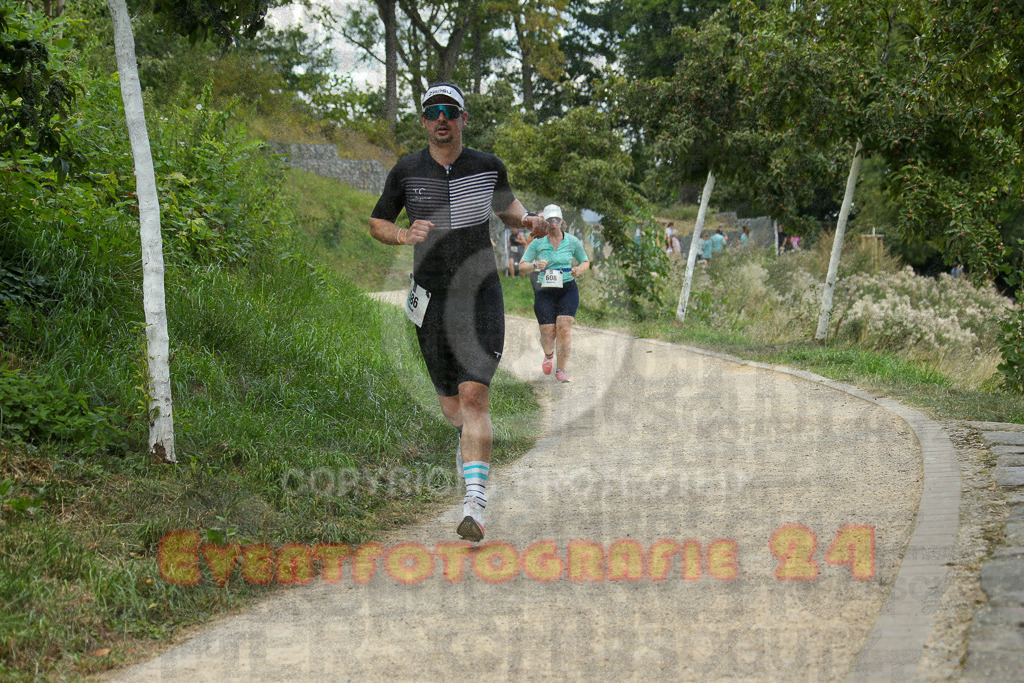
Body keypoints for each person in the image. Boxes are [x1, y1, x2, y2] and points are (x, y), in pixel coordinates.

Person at [369, 83, 548, 543]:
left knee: (474, 398)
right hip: (429, 300)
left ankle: (475, 504)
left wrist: (527, 220)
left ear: (464, 118)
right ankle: (468, 449)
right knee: (453, 408)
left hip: (480, 293)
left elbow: (508, 208)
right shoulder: (407, 170)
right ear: (424, 121)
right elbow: (378, 221)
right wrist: (401, 236)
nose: (441, 119)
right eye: (433, 112)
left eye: (450, 111)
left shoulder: (486, 166)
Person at [518, 204, 590, 384]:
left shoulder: (572, 241)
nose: (553, 223)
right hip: (545, 290)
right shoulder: (537, 243)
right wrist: (535, 265)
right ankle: (549, 355)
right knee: (548, 333)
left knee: (564, 328)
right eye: (550, 220)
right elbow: (522, 266)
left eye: (556, 219)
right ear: (545, 221)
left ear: (562, 221)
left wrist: (579, 270)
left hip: (567, 288)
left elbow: (585, 261)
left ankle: (561, 370)